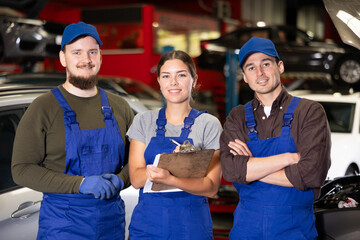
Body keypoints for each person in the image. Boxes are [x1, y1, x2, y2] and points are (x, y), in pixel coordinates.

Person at [11, 22, 134, 240]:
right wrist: (81, 184)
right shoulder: (43, 107)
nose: (86, 60)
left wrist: (121, 180)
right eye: (76, 52)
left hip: (111, 223)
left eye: (92, 52)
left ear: (100, 57)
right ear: (62, 58)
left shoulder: (119, 106)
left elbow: (137, 161)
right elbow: (21, 169)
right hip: (63, 225)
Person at [220, 37, 331, 239]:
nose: (260, 73)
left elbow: (312, 174)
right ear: (244, 76)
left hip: (295, 233)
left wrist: (249, 168)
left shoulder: (309, 111)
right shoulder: (237, 117)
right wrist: (289, 158)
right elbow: (231, 171)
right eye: (251, 68)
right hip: (245, 232)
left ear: (279, 66)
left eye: (266, 64)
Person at [127, 50, 222, 239]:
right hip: (147, 229)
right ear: (159, 81)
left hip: (192, 228)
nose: (173, 82)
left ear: (194, 80)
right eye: (166, 76)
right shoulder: (144, 121)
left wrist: (169, 178)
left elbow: (211, 187)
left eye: (181, 75)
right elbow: (136, 179)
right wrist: (175, 165)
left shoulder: (209, 124)